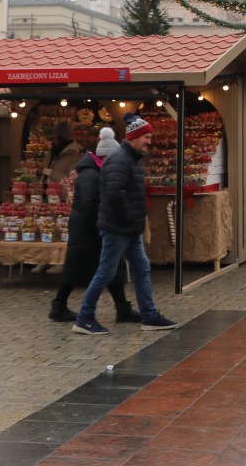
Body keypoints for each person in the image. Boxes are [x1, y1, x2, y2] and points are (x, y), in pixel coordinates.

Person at [73, 117, 178, 335]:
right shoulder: (120, 160)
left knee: (142, 268)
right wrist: (130, 218)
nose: (149, 141)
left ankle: (149, 315)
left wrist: (133, 222)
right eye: (146, 137)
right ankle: (84, 317)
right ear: (134, 137)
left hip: (129, 228)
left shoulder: (131, 159)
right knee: (105, 272)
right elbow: (114, 194)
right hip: (118, 227)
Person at [49, 127, 142, 323]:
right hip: (87, 228)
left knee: (112, 266)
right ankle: (59, 306)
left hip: (94, 225)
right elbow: (92, 205)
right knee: (76, 267)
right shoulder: (90, 174)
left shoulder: (98, 171)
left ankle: (122, 308)